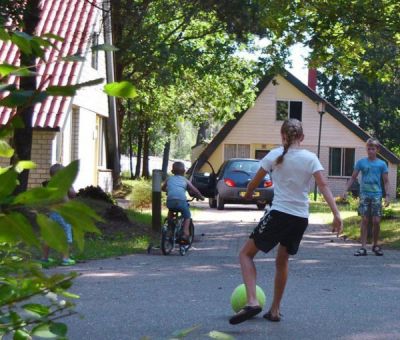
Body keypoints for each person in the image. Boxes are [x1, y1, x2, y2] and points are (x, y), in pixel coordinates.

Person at [229, 119, 342, 325]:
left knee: (245, 254)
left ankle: (253, 301)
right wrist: (336, 214)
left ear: (283, 136)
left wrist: (249, 194)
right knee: (282, 261)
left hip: (279, 214)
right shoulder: (311, 158)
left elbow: (255, 180)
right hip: (300, 218)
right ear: (302, 138)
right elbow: (323, 184)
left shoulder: (274, 154)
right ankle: (275, 310)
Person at [343, 138, 390, 256]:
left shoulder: (382, 164)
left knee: (376, 221)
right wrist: (345, 190)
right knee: (364, 220)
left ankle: (375, 245)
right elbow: (353, 177)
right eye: (368, 149)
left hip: (377, 195)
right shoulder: (361, 162)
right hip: (364, 194)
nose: (370, 151)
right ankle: (363, 247)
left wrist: (387, 196)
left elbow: (386, 181)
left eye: (373, 149)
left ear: (377, 150)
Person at [41, 163, 77, 266]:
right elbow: (73, 194)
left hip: (53, 214)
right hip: (63, 214)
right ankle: (65, 259)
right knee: (66, 236)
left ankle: (44, 258)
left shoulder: (50, 185)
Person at [161, 161, 204, 244]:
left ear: (172, 171)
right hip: (181, 201)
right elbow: (194, 190)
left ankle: (170, 229)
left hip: (170, 201)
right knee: (187, 216)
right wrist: (201, 197)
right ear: (184, 172)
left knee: (171, 211)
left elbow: (162, 188)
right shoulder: (185, 180)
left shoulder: (169, 179)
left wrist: (168, 190)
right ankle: (185, 233)